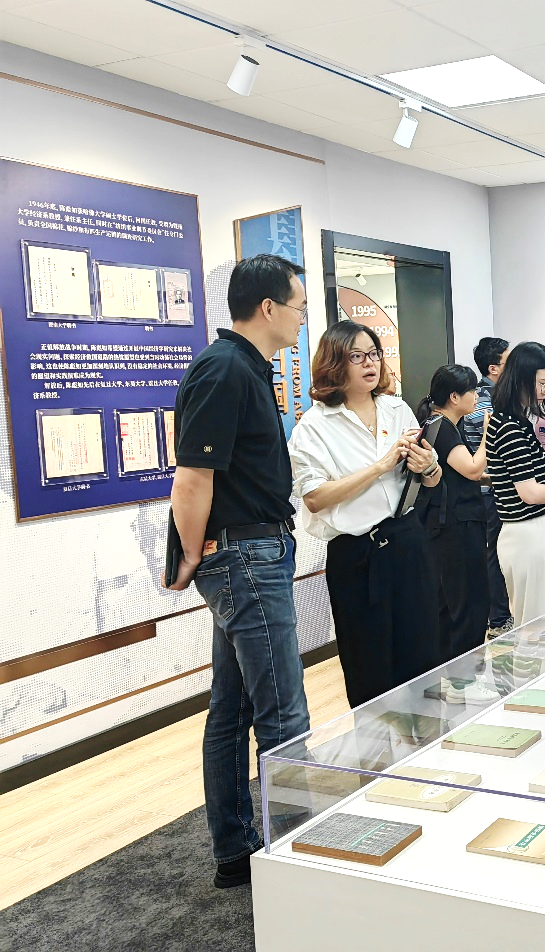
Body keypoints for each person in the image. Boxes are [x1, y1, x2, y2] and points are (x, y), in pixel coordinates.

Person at [165, 253, 312, 889]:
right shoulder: (224, 367)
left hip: (252, 554)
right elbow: (192, 477)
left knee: (234, 707)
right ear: (268, 307)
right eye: (299, 307)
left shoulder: (245, 367)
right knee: (283, 712)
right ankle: (297, 856)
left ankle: (239, 848)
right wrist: (193, 555)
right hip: (244, 558)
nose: (303, 319)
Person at [288, 321, 442, 709]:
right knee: (369, 666)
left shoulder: (397, 409)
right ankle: (376, 747)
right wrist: (380, 466)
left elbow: (432, 478)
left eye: (374, 353)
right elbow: (315, 498)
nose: (369, 363)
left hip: (407, 541)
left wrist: (428, 467)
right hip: (357, 556)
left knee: (424, 655)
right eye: (357, 356)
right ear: (334, 363)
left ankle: (428, 740)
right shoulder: (314, 426)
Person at [417, 364, 497, 702]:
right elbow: (473, 469)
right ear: (454, 396)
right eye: (472, 391)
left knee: (454, 602)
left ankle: (452, 679)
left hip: (455, 523)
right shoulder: (442, 428)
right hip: (454, 525)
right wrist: (488, 433)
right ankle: (464, 681)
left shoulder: (446, 425)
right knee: (467, 602)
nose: (477, 397)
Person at [485, 342, 545, 625]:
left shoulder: (519, 421)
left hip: (538, 529)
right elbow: (530, 493)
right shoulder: (509, 426)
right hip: (527, 532)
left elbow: (528, 478)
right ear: (521, 377)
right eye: (543, 383)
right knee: (536, 627)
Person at [461, 336, 514, 637]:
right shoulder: (486, 404)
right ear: (494, 368)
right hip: (488, 489)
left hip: (488, 489)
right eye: (509, 361)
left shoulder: (488, 397)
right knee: (493, 554)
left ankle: (495, 616)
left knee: (492, 553)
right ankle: (498, 619)